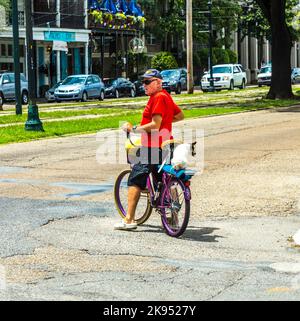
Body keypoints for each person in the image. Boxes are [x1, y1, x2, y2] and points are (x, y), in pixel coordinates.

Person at [114, 69, 185, 231]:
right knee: (165, 180)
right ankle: (173, 219)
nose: (143, 85)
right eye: (143, 82)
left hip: (152, 146)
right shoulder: (166, 96)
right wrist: (167, 120)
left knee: (135, 179)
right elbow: (180, 116)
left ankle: (129, 219)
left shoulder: (158, 98)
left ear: (158, 83)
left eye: (147, 82)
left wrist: (134, 129)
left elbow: (155, 125)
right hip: (166, 145)